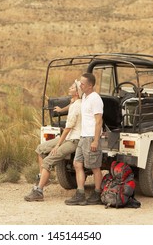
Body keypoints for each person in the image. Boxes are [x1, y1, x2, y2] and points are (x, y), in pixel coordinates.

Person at [24, 80, 83, 202]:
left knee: (48, 160)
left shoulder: (77, 106)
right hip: (68, 137)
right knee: (40, 149)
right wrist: (62, 110)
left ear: (77, 92)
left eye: (72, 87)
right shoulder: (75, 102)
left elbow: (67, 129)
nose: (70, 87)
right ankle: (44, 178)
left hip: (73, 140)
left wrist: (58, 144)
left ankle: (39, 191)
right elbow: (71, 105)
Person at [65, 72, 104, 206]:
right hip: (83, 136)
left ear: (90, 85)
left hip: (91, 137)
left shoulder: (95, 99)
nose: (80, 85)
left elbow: (99, 121)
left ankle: (98, 193)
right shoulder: (85, 97)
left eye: (82, 84)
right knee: (77, 163)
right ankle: (80, 194)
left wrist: (95, 140)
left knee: (94, 167)